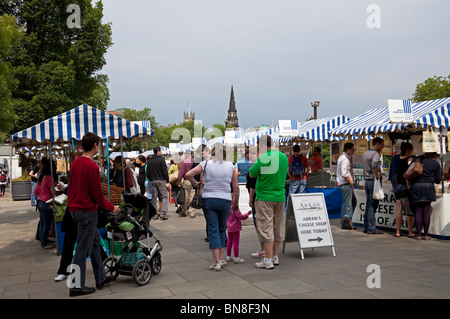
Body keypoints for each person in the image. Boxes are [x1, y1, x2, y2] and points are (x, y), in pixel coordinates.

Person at [67, 132, 121, 297]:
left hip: (75, 209)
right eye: (99, 144)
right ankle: (76, 287)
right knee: (83, 250)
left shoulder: (76, 162)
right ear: (96, 145)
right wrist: (112, 207)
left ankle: (100, 278)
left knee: (95, 242)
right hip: (86, 211)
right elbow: (97, 194)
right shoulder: (91, 166)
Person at [185, 142, 239, 271]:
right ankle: (221, 259)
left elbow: (188, 175)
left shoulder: (206, 164)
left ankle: (216, 262)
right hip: (225, 200)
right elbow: (236, 186)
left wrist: (196, 183)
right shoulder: (231, 166)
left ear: (213, 152)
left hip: (209, 199)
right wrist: (236, 202)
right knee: (221, 229)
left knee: (213, 229)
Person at [249, 135, 289, 269]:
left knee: (266, 228)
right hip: (280, 196)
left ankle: (267, 259)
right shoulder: (283, 157)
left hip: (265, 197)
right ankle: (275, 256)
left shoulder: (264, 158)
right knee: (278, 227)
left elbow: (252, 174)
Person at [54, 152, 83, 282]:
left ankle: (103, 264)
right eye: (74, 162)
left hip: (84, 212)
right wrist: (65, 187)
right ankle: (64, 270)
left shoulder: (85, 172)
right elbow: (72, 190)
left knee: (94, 241)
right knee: (68, 242)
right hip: (72, 212)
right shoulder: (74, 175)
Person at [409, 152, 441, 240]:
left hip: (416, 186)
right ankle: (426, 234)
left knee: (418, 210)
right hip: (429, 187)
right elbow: (438, 180)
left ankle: (419, 234)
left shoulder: (416, 161)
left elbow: (409, 173)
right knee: (426, 210)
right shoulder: (435, 164)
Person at [389, 142, 415, 238]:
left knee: (399, 208)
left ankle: (398, 231)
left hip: (396, 186)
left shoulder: (395, 158)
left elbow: (391, 173)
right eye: (411, 151)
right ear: (408, 150)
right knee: (408, 209)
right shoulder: (409, 160)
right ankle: (410, 231)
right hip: (405, 185)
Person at [33, 158, 58, 249]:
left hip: (40, 202)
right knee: (46, 224)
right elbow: (53, 191)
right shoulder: (49, 178)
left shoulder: (41, 177)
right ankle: (43, 243)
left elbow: (36, 190)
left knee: (43, 223)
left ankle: (43, 240)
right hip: (46, 202)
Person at [362, 137, 384, 235]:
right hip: (373, 181)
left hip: (367, 181)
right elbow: (375, 165)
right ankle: (371, 228)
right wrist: (377, 174)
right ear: (377, 144)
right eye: (382, 144)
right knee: (372, 205)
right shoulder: (375, 154)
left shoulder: (365, 153)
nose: (383, 147)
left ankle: (366, 226)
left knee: (368, 204)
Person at [337, 142, 357, 230]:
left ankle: (346, 221)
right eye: (353, 149)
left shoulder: (343, 157)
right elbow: (344, 172)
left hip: (344, 183)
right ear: (348, 149)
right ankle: (347, 217)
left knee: (351, 202)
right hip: (346, 184)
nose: (354, 151)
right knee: (348, 203)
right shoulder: (345, 159)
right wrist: (351, 182)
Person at [146, 146, 171, 220]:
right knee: (164, 196)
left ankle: (155, 214)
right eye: (161, 150)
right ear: (158, 151)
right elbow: (164, 171)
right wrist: (167, 180)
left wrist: (152, 179)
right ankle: (163, 213)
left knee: (154, 197)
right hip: (161, 180)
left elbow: (148, 173)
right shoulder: (161, 160)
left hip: (153, 181)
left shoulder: (150, 161)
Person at [177, 150, 195, 217]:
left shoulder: (184, 162)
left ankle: (184, 211)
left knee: (186, 197)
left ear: (186, 155)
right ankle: (192, 211)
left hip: (186, 180)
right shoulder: (194, 161)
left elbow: (181, 172)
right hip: (194, 181)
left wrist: (179, 181)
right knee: (192, 196)